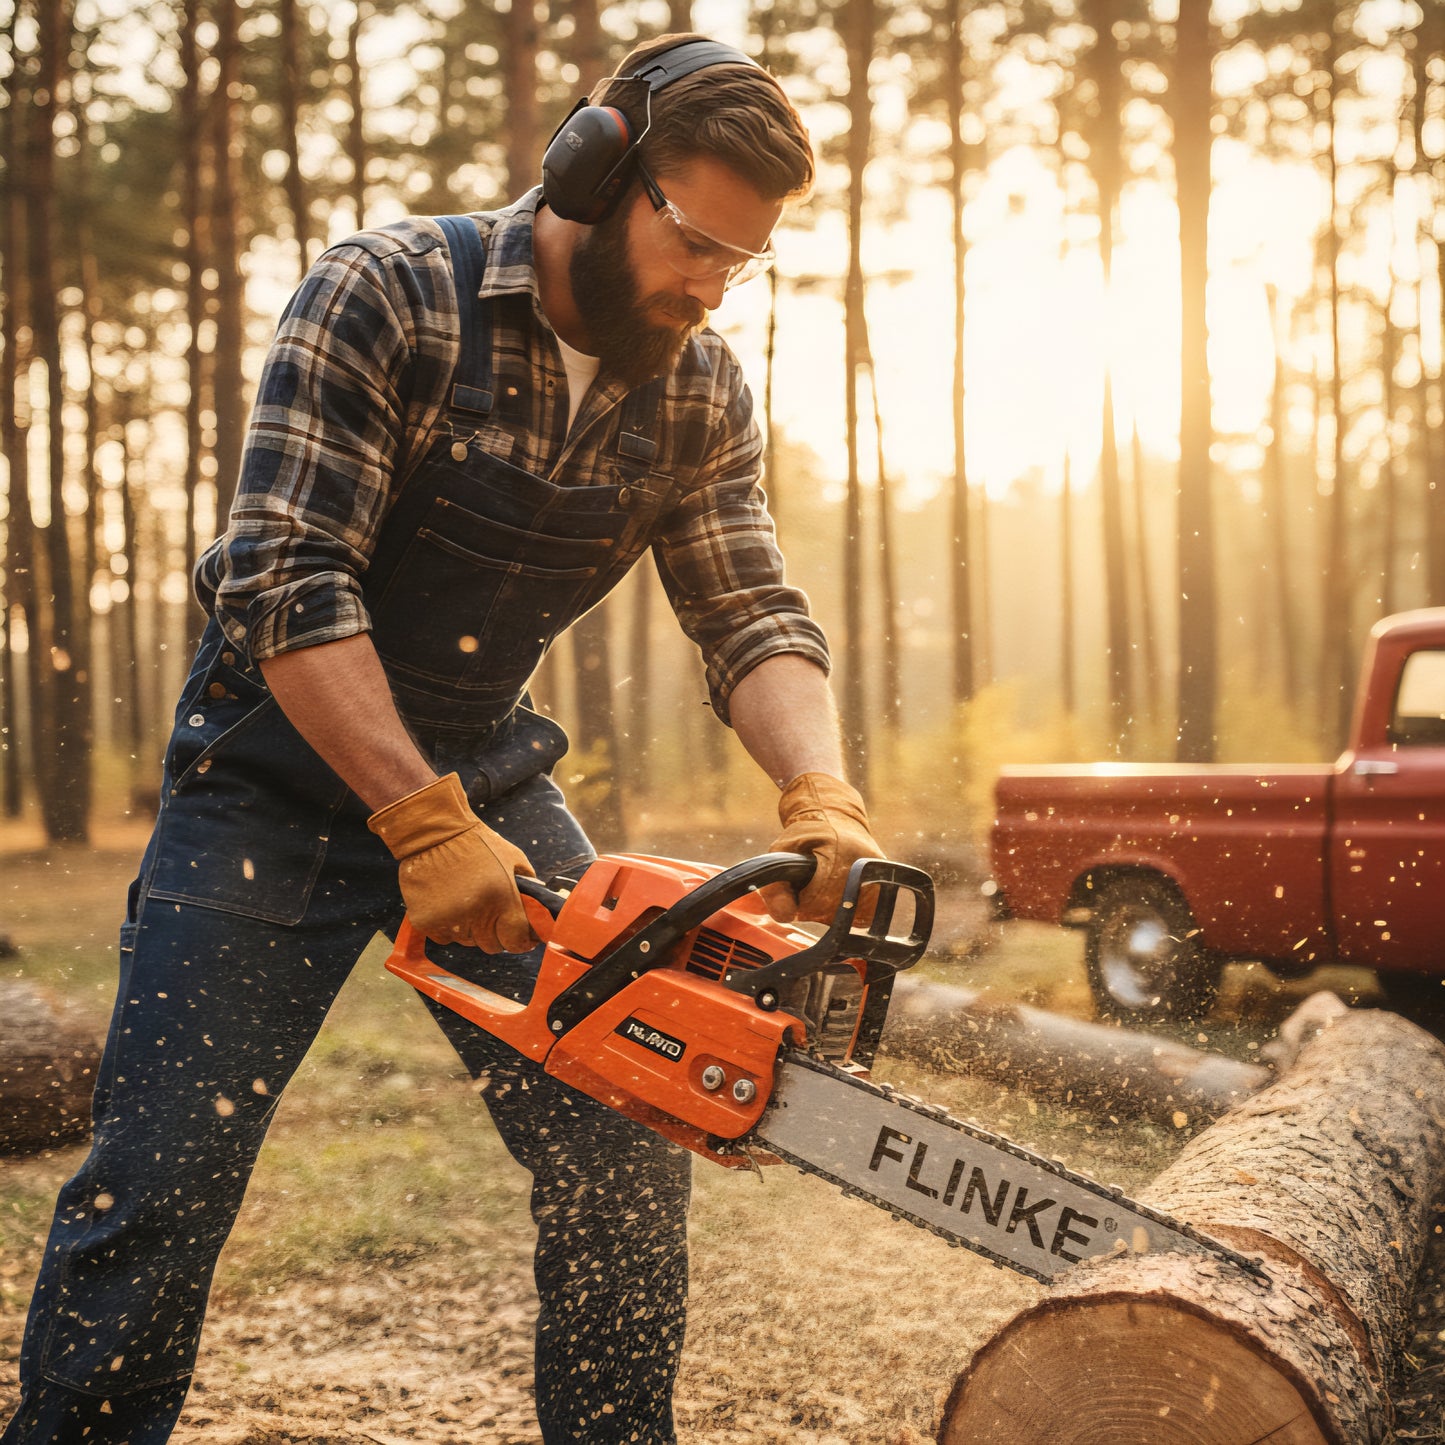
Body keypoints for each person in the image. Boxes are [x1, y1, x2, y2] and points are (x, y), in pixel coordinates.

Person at [2, 32, 884, 1445]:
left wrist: (819, 788)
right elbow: (287, 577)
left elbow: (747, 609)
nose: (711, 282)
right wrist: (413, 820)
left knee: (621, 1143)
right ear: (595, 171)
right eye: (697, 240)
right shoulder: (389, 295)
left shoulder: (696, 387)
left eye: (743, 258)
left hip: (483, 765)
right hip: (268, 784)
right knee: (157, 1184)